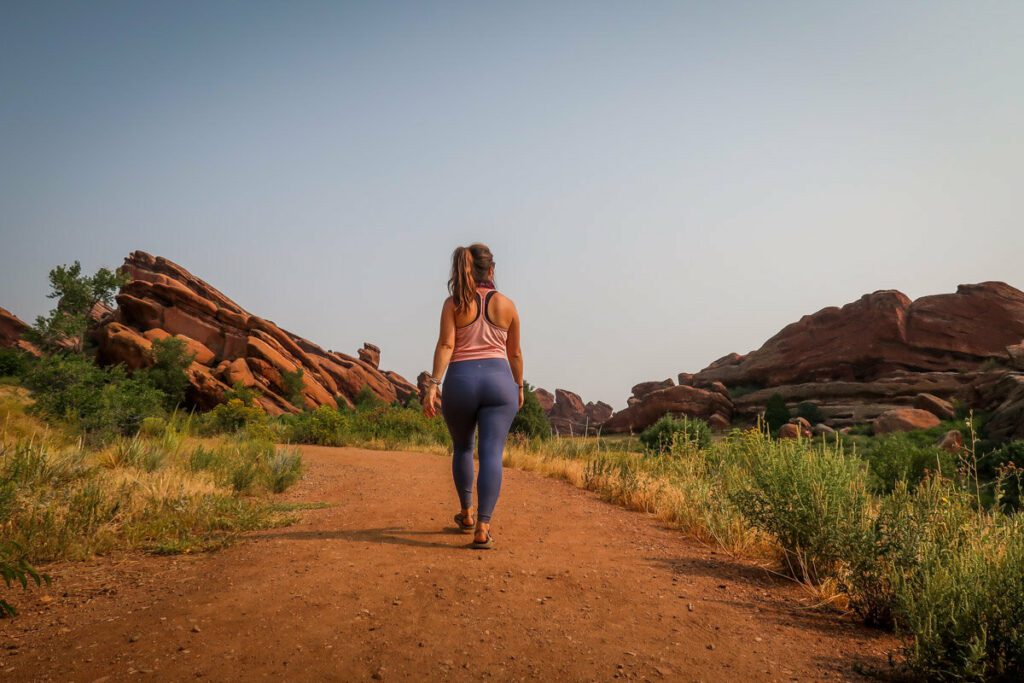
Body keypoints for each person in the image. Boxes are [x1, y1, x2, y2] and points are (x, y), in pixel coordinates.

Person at [422, 243, 523, 550]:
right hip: (499, 383)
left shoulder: (453, 303)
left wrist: (433, 384)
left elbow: (445, 346)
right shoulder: (507, 305)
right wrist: (518, 388)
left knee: (464, 447)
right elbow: (515, 353)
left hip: (461, 382)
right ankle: (483, 526)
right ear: (491, 270)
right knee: (491, 454)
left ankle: (466, 513)